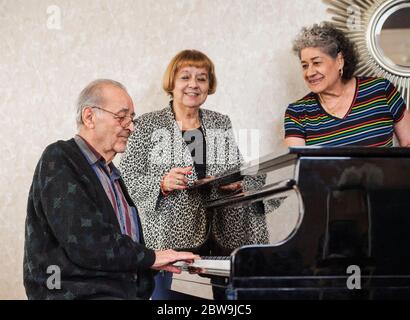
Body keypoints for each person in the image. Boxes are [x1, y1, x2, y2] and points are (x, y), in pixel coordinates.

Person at [23, 79, 198, 300]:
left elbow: (116, 248)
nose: (131, 126)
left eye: (132, 118)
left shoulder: (112, 174)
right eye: (121, 117)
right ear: (89, 117)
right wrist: (151, 257)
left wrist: (151, 265)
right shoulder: (60, 158)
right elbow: (87, 243)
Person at [119, 50, 267, 299]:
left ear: (209, 86)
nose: (193, 85)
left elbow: (239, 170)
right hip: (169, 244)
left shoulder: (221, 122)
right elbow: (126, 179)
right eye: (185, 77)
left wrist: (235, 183)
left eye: (201, 78)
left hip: (222, 241)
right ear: (172, 84)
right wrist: (161, 183)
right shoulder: (146, 125)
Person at [284, 22, 410, 147]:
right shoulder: (297, 113)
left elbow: (408, 143)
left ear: (339, 61)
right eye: (305, 66)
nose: (309, 73)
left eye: (316, 63)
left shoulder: (381, 90)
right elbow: (298, 163)